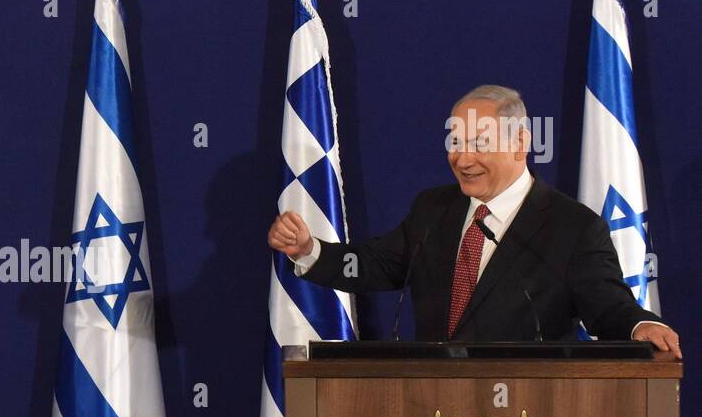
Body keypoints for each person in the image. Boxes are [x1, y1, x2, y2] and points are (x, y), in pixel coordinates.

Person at [267, 84, 681, 357]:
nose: (462, 159)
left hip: (527, 416)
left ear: (520, 143)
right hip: (430, 408)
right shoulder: (434, 209)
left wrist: (639, 324)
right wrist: (309, 250)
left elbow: (607, 306)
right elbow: (377, 265)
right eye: (456, 143)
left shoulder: (573, 228)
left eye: (479, 143)